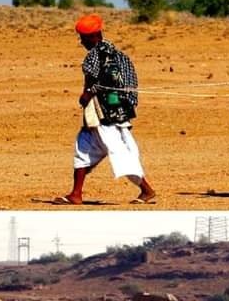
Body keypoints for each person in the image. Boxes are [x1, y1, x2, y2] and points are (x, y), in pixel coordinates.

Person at [56, 14, 156, 205]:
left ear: (94, 36)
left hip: (102, 114)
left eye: (84, 39)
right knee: (83, 146)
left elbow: (94, 82)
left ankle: (146, 189)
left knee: (118, 151)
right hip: (115, 112)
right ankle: (76, 194)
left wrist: (86, 94)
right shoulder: (121, 56)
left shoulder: (93, 56)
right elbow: (130, 84)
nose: (82, 42)